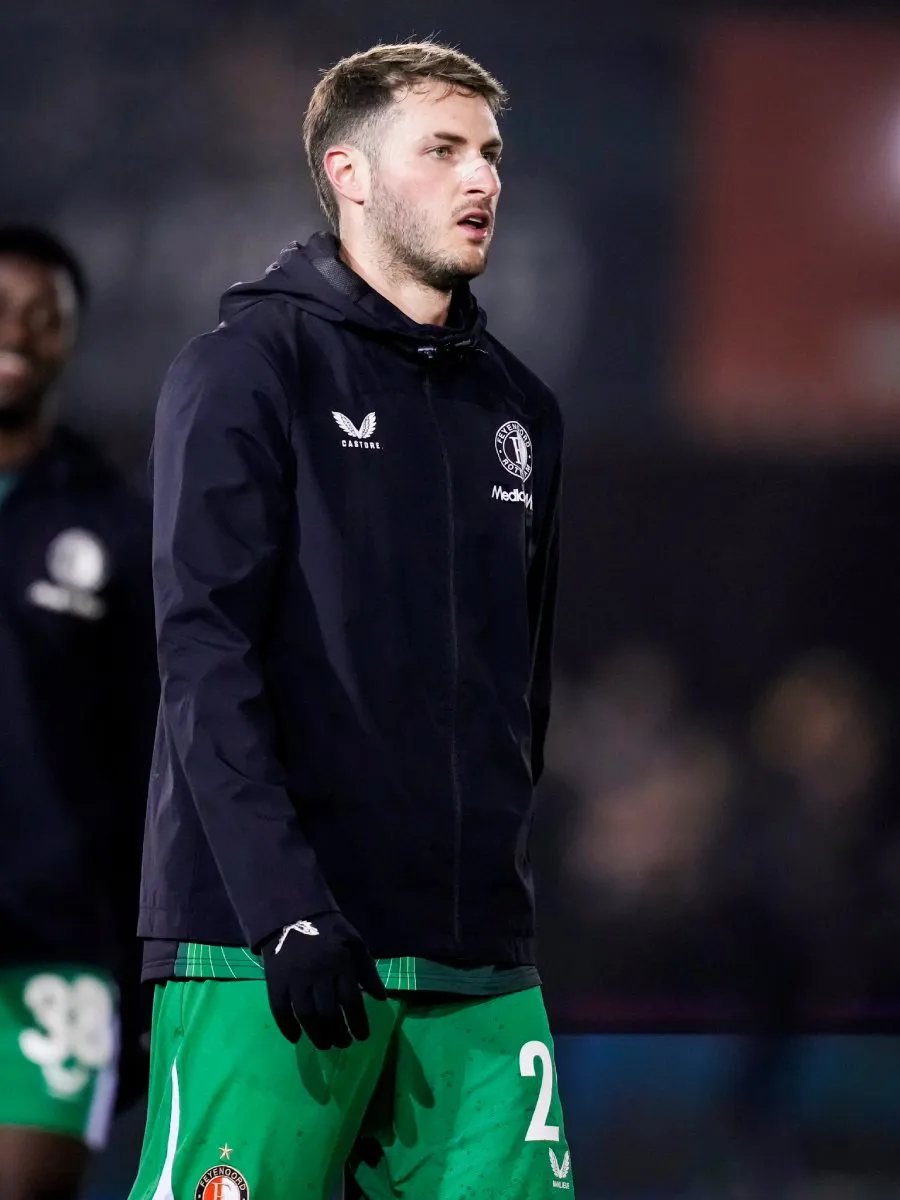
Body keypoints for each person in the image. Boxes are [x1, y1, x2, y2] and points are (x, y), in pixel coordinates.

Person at [130, 39, 570, 1200]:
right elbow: (202, 656)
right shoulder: (244, 368)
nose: (483, 179)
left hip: (475, 963)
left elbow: (521, 683)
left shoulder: (520, 410)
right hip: (266, 945)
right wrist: (282, 913)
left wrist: (503, 892)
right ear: (350, 173)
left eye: (490, 153)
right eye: (444, 150)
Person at [0, 225, 156, 1200]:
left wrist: (147, 961)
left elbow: (152, 742)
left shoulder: (115, 522)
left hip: (56, 944)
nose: (16, 332)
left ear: (70, 336)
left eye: (40, 315)